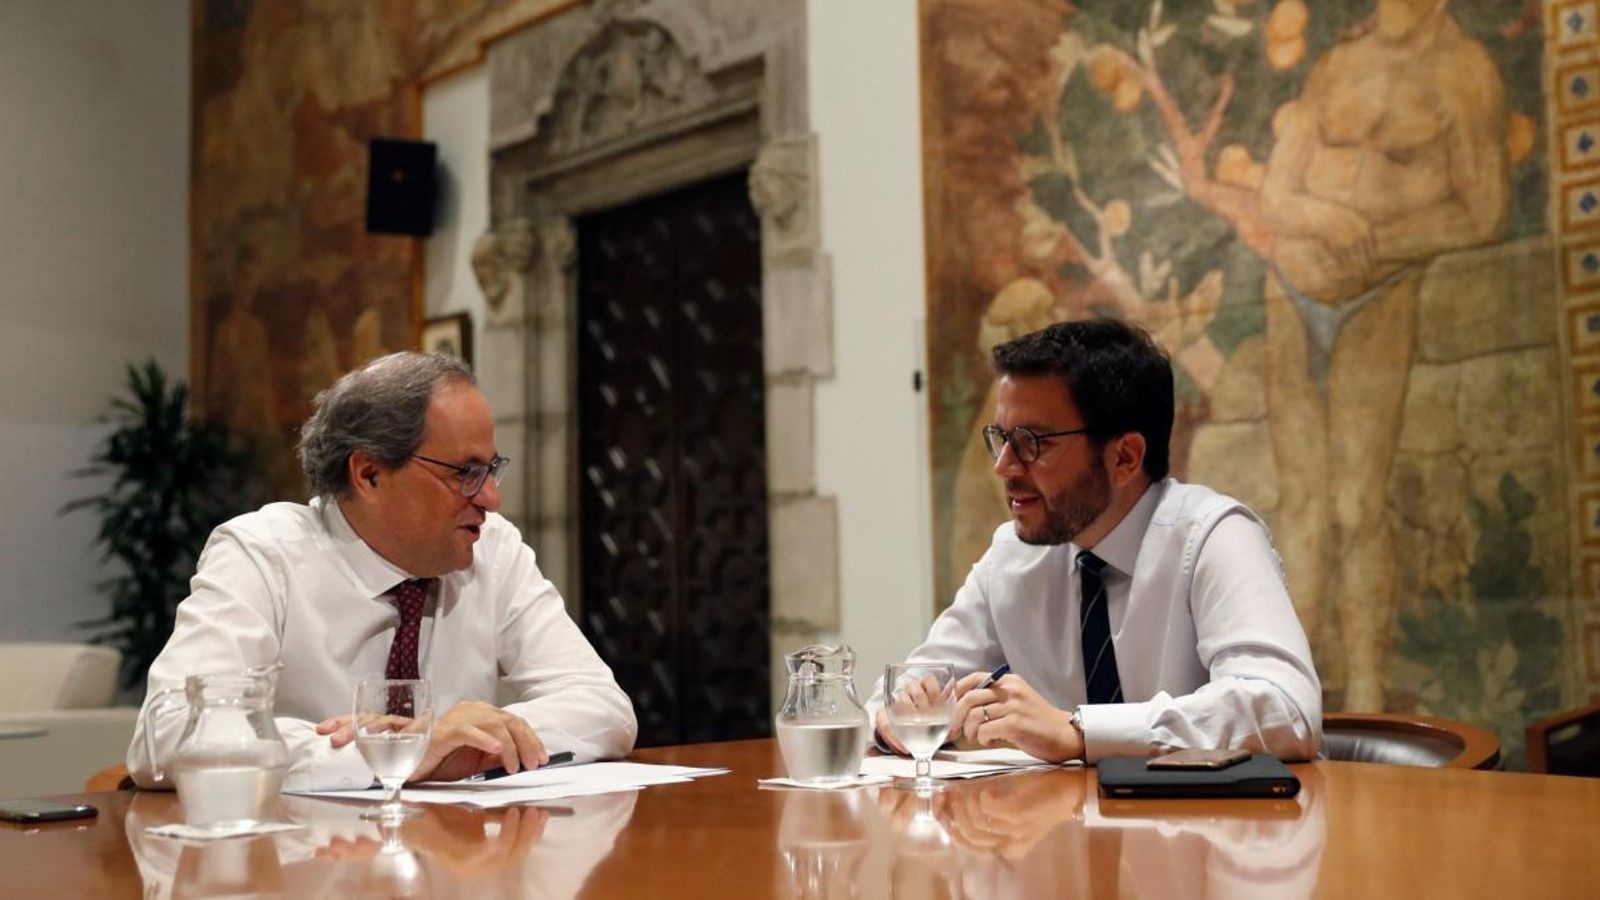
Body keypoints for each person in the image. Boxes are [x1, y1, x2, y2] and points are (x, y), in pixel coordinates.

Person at [128, 352, 637, 790]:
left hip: (459, 864)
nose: (491, 499)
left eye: (491, 470)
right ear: (369, 473)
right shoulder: (263, 555)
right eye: (465, 474)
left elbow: (604, 708)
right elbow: (170, 734)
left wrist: (468, 737)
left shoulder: (493, 550)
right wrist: (400, 749)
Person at [867, 319, 1321, 763]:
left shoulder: (1215, 537)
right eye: (1002, 438)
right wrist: (897, 715)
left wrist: (1082, 731)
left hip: (1210, 836)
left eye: (1032, 442)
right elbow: (910, 686)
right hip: (1067, 833)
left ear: (1124, 457)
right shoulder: (1013, 555)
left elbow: (1285, 708)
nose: (1004, 466)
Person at [1257, 0, 1506, 710]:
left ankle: (1364, 697)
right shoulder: (1338, 65)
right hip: (1292, 288)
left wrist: (1373, 240)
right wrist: (1324, 220)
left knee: (1357, 503)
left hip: (1379, 293)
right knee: (1300, 503)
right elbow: (1277, 192)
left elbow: (1483, 210)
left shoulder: (1465, 74)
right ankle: (1292, 696)